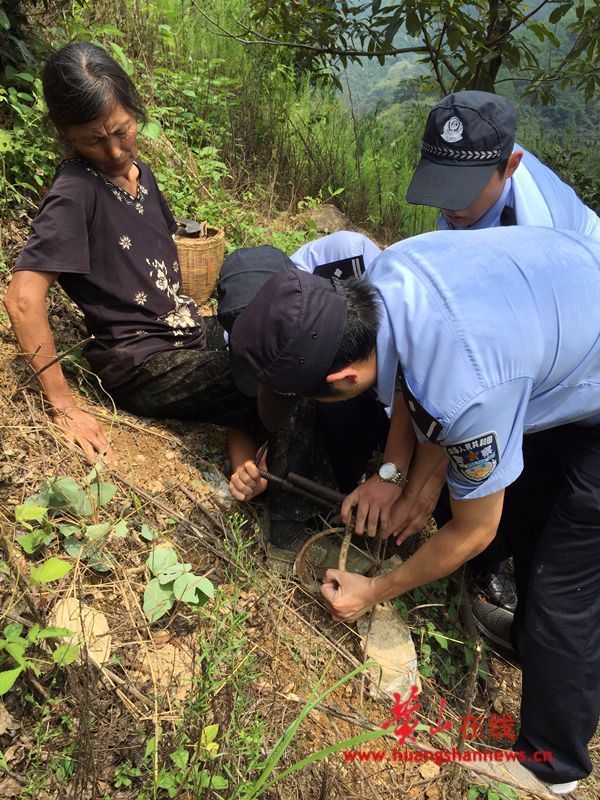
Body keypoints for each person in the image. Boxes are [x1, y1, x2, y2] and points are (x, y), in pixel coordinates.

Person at [229, 225, 600, 794]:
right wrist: (395, 475)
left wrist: (373, 592)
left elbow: (475, 531)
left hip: (577, 371)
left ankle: (553, 766)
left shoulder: (468, 385)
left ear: (343, 377)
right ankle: (531, 644)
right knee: (529, 510)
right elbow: (411, 378)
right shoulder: (380, 283)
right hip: (560, 328)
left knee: (565, 577)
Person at [406, 90, 600, 622]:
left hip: (576, 359)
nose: (449, 206)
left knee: (527, 484)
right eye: (439, 183)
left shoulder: (534, 241)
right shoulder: (471, 192)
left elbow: (476, 385)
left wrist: (419, 487)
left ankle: (503, 583)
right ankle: (473, 562)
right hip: (543, 347)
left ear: (510, 165)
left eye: (462, 193)